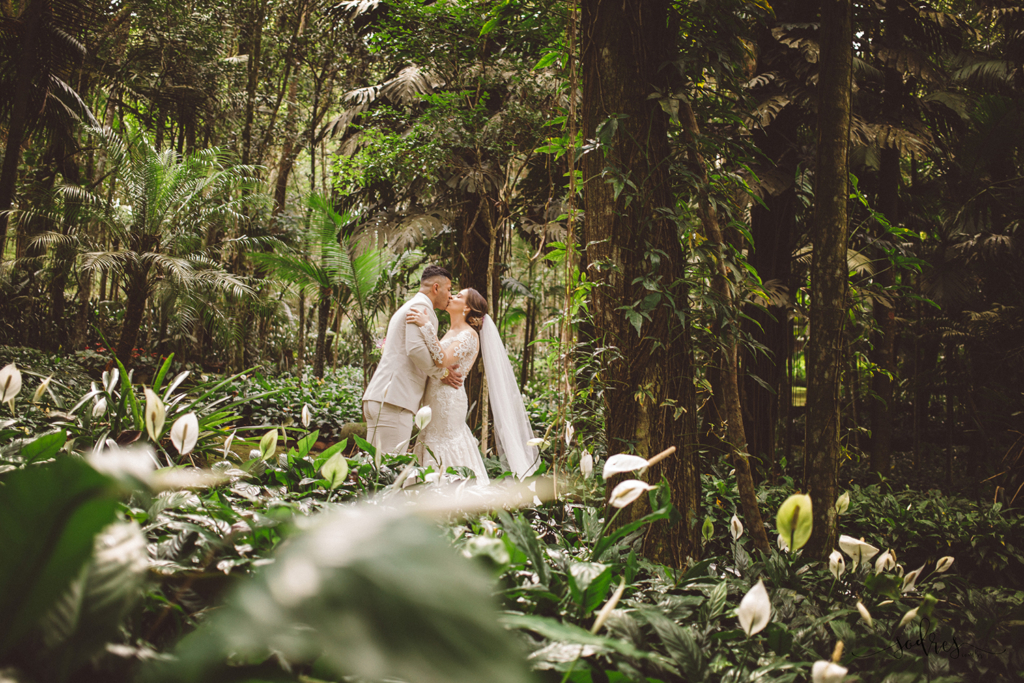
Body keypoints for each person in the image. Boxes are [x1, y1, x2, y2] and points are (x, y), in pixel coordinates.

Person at [406, 288, 539, 482]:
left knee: (445, 443)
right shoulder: (451, 332)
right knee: (429, 440)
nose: (451, 296)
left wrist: (426, 326)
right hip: (434, 399)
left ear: (467, 307)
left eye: (458, 296)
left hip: (449, 401)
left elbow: (443, 359)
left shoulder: (469, 335)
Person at [362, 265, 462, 454]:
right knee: (388, 469)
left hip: (384, 397)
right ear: (435, 288)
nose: (450, 296)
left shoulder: (411, 305)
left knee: (374, 470)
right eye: (448, 290)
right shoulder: (421, 308)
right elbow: (415, 350)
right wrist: (442, 373)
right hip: (394, 400)